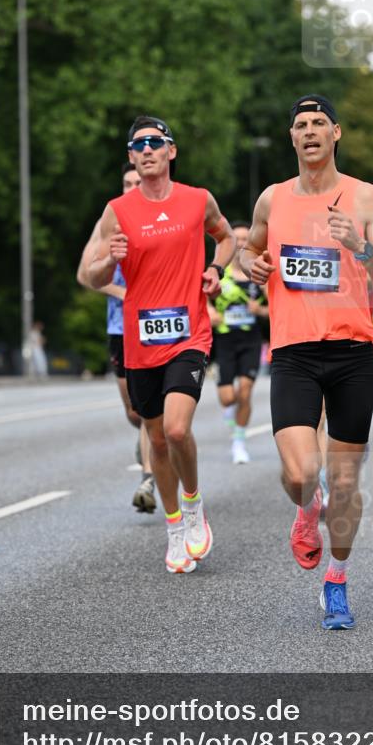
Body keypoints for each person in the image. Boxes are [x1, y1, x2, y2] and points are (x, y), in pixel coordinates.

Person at [240, 94, 373, 627]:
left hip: (352, 352)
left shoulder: (365, 197)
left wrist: (360, 246)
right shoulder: (272, 199)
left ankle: (336, 582)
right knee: (300, 473)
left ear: (336, 133)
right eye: (300, 125)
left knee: (345, 484)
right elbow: (248, 250)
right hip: (293, 352)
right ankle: (305, 507)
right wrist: (250, 265)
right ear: (292, 137)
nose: (309, 131)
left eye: (319, 123)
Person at [88, 116, 235, 573]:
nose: (147, 150)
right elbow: (92, 274)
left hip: (190, 333)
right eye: (138, 145)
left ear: (171, 151)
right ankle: (174, 529)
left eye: (155, 142)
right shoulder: (117, 211)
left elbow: (226, 236)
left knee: (175, 429)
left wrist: (216, 269)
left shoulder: (197, 200)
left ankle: (192, 504)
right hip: (140, 339)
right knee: (154, 436)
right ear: (131, 157)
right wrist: (108, 262)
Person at [77, 163, 157, 514]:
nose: (132, 188)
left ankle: (148, 478)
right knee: (134, 411)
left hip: (156, 326)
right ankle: (147, 439)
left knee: (151, 407)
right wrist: (125, 294)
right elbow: (85, 275)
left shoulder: (165, 217)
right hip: (120, 328)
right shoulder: (109, 222)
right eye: (127, 183)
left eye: (138, 182)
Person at [206, 221, 268, 464]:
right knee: (227, 398)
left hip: (250, 341)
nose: (241, 243)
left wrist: (260, 310)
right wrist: (210, 312)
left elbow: (275, 309)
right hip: (224, 342)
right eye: (237, 239)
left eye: (245, 239)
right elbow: (201, 300)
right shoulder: (218, 274)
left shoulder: (258, 276)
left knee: (245, 390)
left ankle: (239, 442)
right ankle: (230, 411)